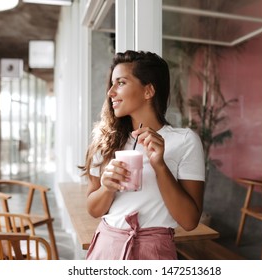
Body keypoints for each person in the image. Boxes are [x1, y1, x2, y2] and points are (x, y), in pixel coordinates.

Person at [79, 50, 205, 260]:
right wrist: (107, 188)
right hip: (106, 248)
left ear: (148, 91)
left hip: (154, 252)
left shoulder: (184, 141)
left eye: (120, 83)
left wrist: (160, 166)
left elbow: (190, 221)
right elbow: (93, 209)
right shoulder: (105, 141)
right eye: (112, 83)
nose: (110, 92)